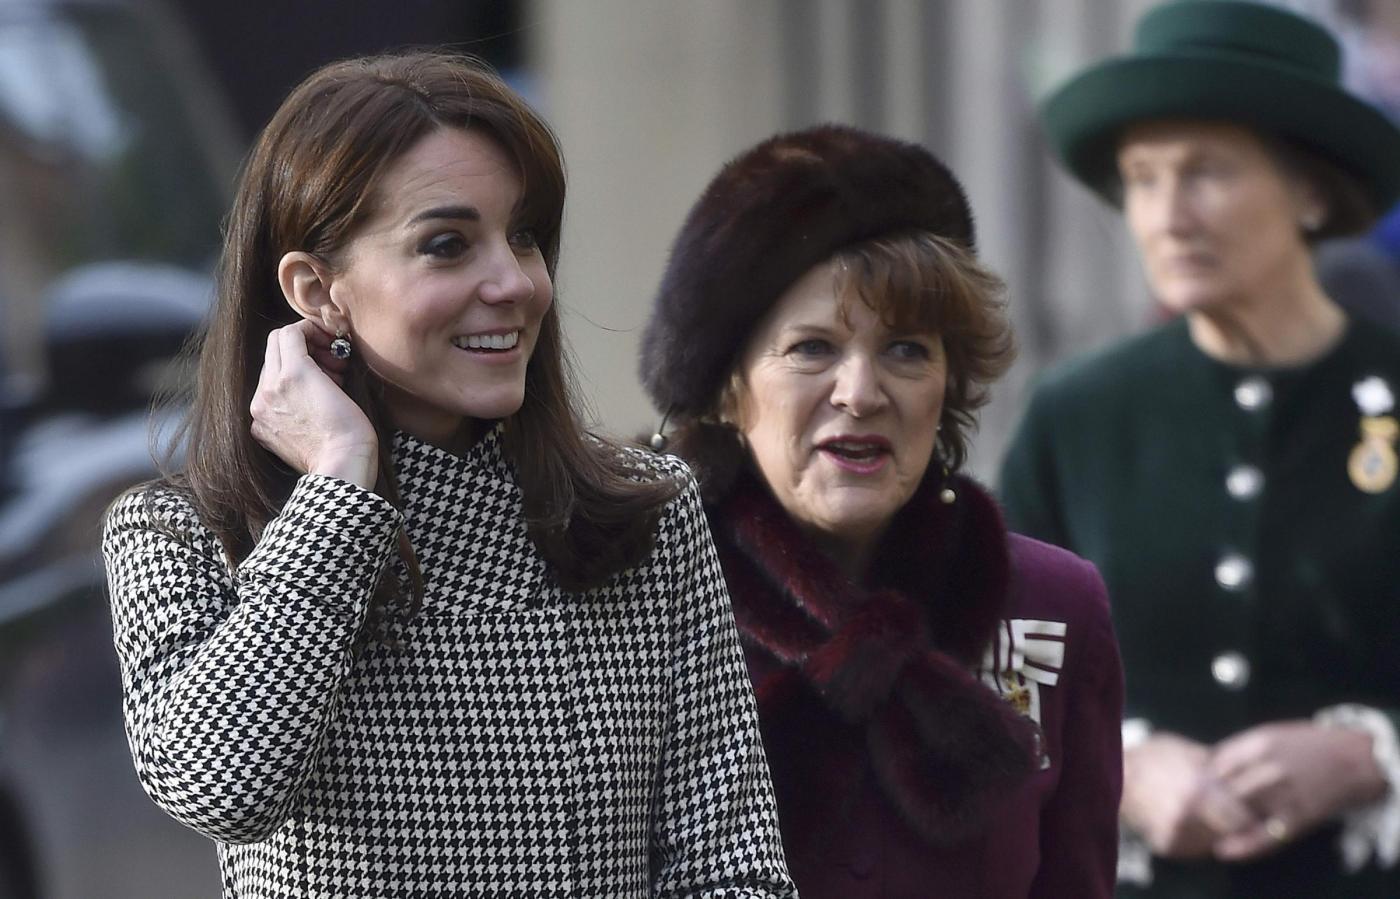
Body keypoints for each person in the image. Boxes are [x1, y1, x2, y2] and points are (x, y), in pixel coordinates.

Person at [100, 51, 796, 898]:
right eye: (446, 245)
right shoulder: (185, 531)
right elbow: (217, 785)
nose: (515, 282)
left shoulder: (639, 512)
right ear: (317, 290)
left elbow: (734, 868)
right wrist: (339, 488)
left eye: (524, 235)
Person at [639, 124, 1124, 898]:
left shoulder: (1057, 604)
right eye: (811, 348)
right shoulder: (634, 603)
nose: (861, 393)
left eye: (906, 349)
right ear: (727, 388)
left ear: (949, 383)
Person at [1001, 2, 1400, 896]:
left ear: (1310, 191)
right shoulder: (1076, 414)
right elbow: (998, 669)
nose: (1168, 215)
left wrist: (1371, 754)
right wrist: (1121, 764)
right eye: (1142, 179)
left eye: (1207, 172)